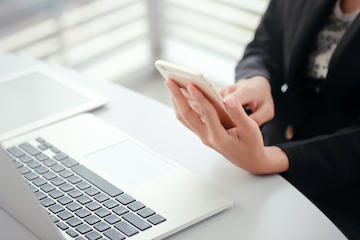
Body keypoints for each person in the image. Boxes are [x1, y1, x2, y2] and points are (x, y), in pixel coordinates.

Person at [164, 0, 360, 239]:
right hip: (269, 149)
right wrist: (257, 79)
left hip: (343, 196)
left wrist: (270, 160)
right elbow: (265, 45)